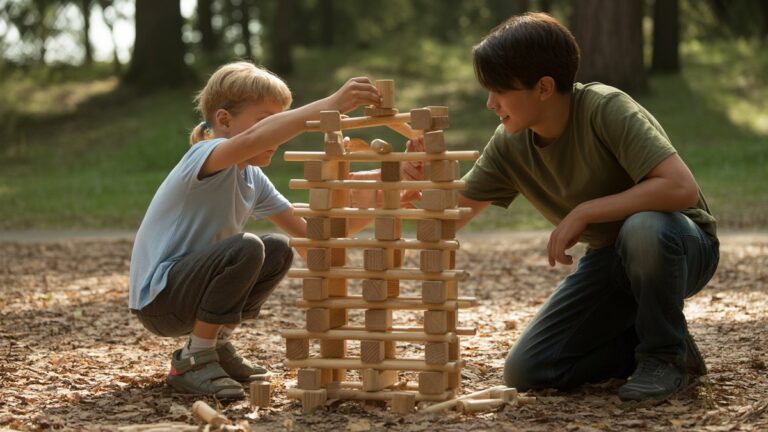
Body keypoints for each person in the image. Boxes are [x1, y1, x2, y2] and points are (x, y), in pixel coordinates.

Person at [453, 13, 720, 402]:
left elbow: (680, 188)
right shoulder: (509, 143)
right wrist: (417, 176)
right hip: (612, 261)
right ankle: (650, 342)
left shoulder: (605, 108)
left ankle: (664, 357)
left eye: (499, 90)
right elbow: (453, 213)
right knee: (528, 370)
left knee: (642, 227)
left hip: (678, 245)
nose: (489, 102)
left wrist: (584, 211)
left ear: (543, 87)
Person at [128, 61, 419, 399]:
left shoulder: (252, 178)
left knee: (277, 248)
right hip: (160, 300)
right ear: (224, 120)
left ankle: (214, 344)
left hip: (189, 292)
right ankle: (194, 357)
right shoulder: (203, 155)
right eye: (269, 122)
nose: (276, 136)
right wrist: (330, 104)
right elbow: (256, 138)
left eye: (281, 120)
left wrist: (385, 197)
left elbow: (313, 238)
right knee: (247, 248)